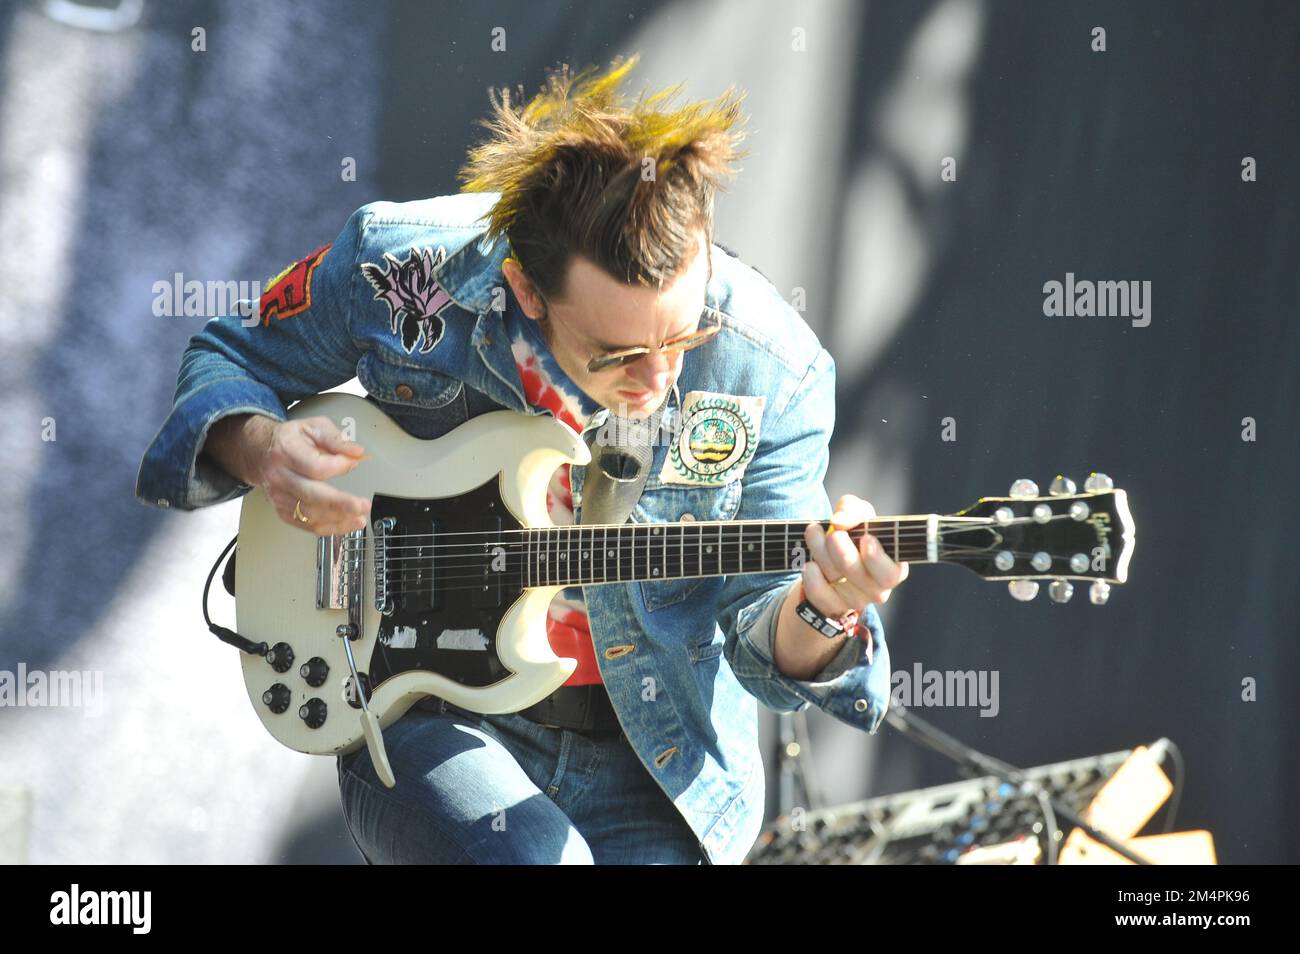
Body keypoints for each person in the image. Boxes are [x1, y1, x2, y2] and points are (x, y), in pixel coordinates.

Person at [135, 54, 908, 865]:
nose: (660, 378)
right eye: (618, 354)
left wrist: (825, 606)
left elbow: (765, 637)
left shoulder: (773, 368)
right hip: (427, 714)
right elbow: (227, 356)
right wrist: (264, 449)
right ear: (526, 291)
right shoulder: (399, 266)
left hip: (658, 765)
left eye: (682, 337)